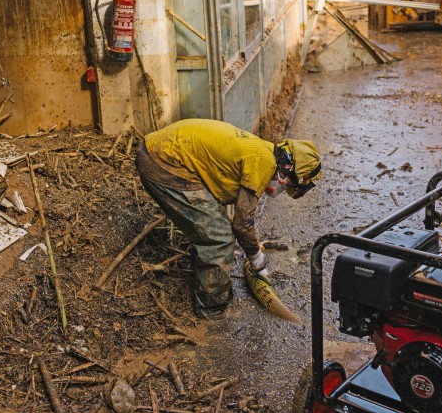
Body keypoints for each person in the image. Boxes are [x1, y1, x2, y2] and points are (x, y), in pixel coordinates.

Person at [135, 119, 322, 319]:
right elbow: (242, 224)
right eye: (287, 186)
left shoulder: (265, 151)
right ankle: (212, 310)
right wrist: (256, 259)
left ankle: (207, 275)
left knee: (212, 224)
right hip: (163, 161)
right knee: (220, 238)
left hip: (160, 149)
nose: (282, 188)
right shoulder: (263, 163)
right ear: (288, 171)